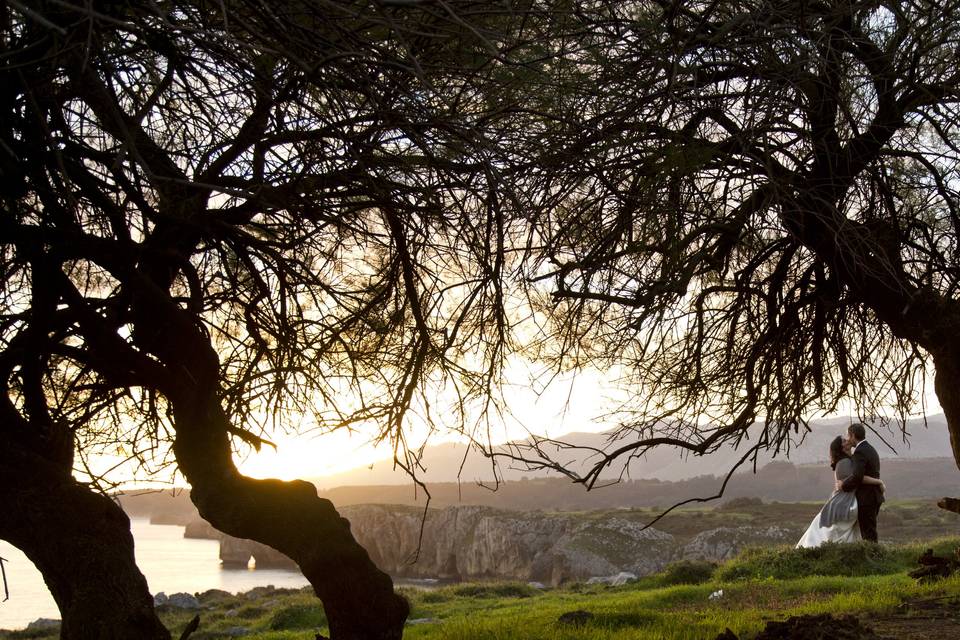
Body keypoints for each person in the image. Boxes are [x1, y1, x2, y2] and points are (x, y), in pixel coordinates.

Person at [796, 435, 884, 548]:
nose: (847, 440)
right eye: (844, 440)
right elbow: (858, 479)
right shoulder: (845, 462)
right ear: (841, 447)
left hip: (847, 499)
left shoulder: (848, 460)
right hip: (844, 502)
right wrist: (879, 482)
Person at [836, 422, 884, 542]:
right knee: (870, 530)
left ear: (852, 435)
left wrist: (843, 485)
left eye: (848, 436)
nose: (848, 439)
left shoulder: (860, 452)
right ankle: (874, 556)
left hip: (866, 498)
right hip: (874, 496)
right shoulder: (870, 449)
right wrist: (879, 482)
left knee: (868, 533)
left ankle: (873, 558)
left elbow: (857, 476)